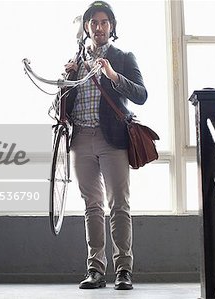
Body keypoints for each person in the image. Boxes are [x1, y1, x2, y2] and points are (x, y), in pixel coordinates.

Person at [62, 1, 148, 291]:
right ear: (86, 28)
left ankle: (123, 269)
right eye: (93, 23)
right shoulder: (76, 61)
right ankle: (95, 269)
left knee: (119, 205)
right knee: (92, 206)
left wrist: (113, 76)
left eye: (104, 22)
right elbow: (61, 108)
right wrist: (66, 82)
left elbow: (141, 95)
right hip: (81, 139)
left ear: (112, 27)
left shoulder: (123, 57)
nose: (99, 28)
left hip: (113, 140)